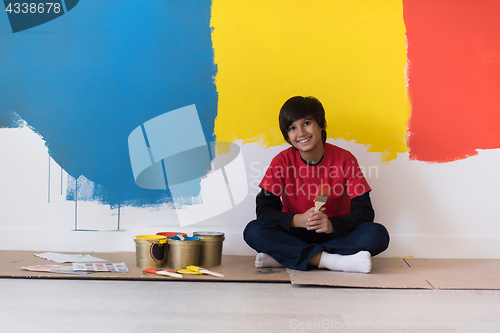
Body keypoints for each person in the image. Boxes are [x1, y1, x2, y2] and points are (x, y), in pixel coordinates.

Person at [243, 96, 389, 273]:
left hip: (336, 234)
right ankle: (331, 260)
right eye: (292, 128)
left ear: (322, 124)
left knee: (377, 235)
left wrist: (332, 225)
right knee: (253, 230)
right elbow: (264, 211)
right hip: (296, 233)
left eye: (306, 123)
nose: (301, 133)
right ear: (287, 136)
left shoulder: (345, 160)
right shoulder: (281, 161)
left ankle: (286, 256)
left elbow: (365, 212)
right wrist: (297, 220)